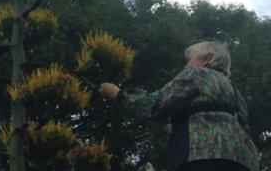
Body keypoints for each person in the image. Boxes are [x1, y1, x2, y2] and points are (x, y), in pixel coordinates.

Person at [99, 41, 259, 171]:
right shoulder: (236, 93)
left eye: (189, 59)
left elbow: (155, 105)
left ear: (206, 59)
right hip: (243, 161)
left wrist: (119, 94)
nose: (187, 65)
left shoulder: (197, 74)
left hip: (203, 154)